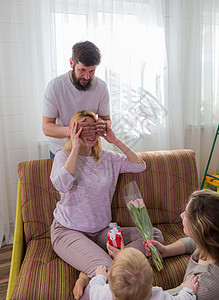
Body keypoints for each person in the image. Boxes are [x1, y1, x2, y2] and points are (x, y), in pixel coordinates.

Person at [50, 110, 164, 300]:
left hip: (102, 231)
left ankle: (89, 271)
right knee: (114, 271)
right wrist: (76, 147)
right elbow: (61, 184)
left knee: (153, 236)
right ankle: (91, 277)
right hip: (69, 231)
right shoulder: (64, 157)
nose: (89, 133)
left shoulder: (108, 158)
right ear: (74, 131)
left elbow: (139, 165)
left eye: (93, 128)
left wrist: (115, 141)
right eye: (83, 128)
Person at [145, 189, 219, 300]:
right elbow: (191, 243)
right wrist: (166, 250)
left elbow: (175, 296)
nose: (181, 215)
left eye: (186, 214)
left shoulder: (203, 286)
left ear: (198, 228)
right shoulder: (211, 244)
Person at [42, 40, 111, 158]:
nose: (87, 77)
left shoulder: (101, 87)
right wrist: (74, 131)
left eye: (92, 71)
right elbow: (47, 127)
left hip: (89, 152)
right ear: (71, 63)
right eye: (82, 70)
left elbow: (107, 120)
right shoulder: (55, 87)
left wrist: (103, 125)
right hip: (61, 152)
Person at [89, 247, 198, 300]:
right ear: (151, 281)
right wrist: (188, 291)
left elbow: (94, 289)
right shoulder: (158, 296)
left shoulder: (104, 293)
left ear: (112, 283)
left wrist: (100, 276)